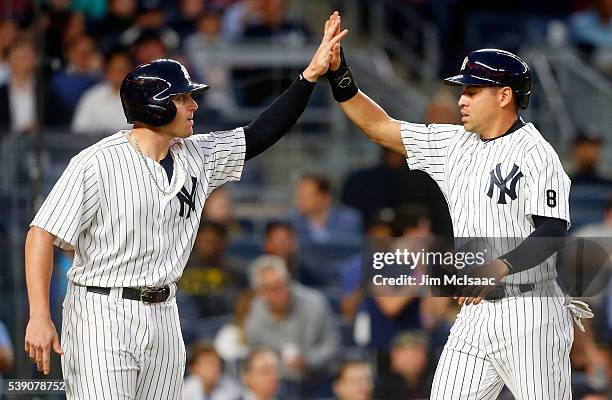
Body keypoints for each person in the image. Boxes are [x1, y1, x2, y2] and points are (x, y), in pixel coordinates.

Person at [23, 13, 347, 399]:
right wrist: (40, 316)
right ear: (155, 106)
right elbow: (41, 234)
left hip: (164, 311)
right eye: (182, 97)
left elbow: (261, 132)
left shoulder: (198, 154)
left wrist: (309, 76)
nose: (193, 104)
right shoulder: (97, 162)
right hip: (101, 310)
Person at [326, 13, 592, 398]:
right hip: (475, 311)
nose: (461, 99)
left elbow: (551, 233)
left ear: (504, 95)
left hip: (530, 311)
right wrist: (339, 72)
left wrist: (495, 268)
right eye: (462, 90)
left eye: (472, 91)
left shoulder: (537, 154)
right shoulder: (453, 144)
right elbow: (379, 127)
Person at [244, 255, 340, 395]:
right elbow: (256, 357)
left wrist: (308, 360)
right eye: (273, 288)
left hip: (318, 379)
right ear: (261, 293)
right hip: (278, 384)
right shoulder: (255, 318)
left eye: (284, 284)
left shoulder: (314, 303)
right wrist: (276, 368)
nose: (282, 292)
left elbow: (332, 345)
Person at [71, 47, 133, 135]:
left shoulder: (138, 99)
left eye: (122, 69)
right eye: (114, 69)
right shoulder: (91, 97)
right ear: (107, 70)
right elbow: (79, 129)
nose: (118, 74)